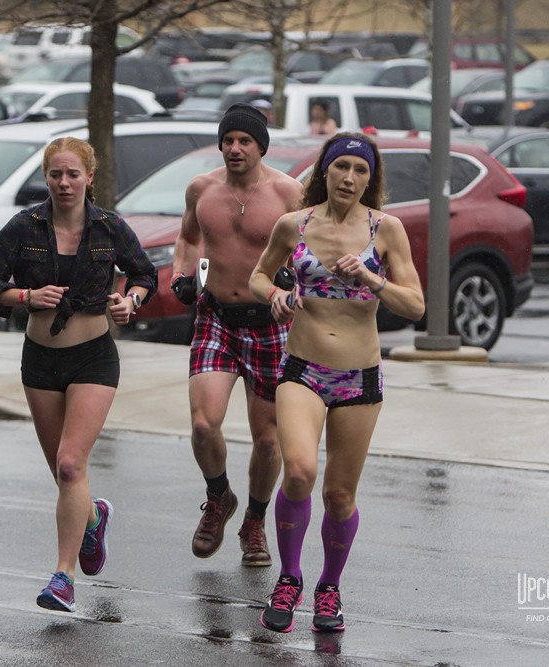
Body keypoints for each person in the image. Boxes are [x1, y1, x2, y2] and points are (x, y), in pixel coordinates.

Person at [248, 132, 425, 633]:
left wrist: (373, 280)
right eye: (341, 166)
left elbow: (415, 306)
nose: (349, 177)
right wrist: (276, 297)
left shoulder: (385, 230)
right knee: (299, 472)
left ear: (371, 178)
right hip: (302, 368)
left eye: (360, 169)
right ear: (325, 170)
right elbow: (260, 276)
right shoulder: (294, 224)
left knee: (340, 496)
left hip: (359, 378)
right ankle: (289, 578)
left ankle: (329, 588)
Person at [0, 136, 157, 613]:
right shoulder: (23, 227)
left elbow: (144, 276)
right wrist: (26, 298)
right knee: (64, 474)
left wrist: (130, 301)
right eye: (55, 174)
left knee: (71, 463)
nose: (63, 183)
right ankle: (93, 517)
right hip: (40, 361)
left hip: (93, 358)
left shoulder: (110, 228)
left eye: (72, 174)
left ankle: (62, 577)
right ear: (46, 178)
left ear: (89, 178)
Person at [171, 103, 304, 568]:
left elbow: (309, 252)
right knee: (204, 423)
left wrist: (294, 286)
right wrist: (180, 275)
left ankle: (254, 520)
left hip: (270, 322)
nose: (234, 148)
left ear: (260, 146)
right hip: (216, 317)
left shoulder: (289, 192)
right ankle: (218, 497)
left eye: (244, 141)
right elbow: (187, 238)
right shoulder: (201, 189)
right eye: (228, 140)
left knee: (268, 439)